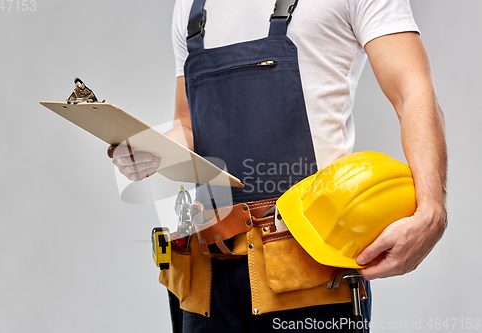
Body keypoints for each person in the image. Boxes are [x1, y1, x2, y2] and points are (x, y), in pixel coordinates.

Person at [108, 0, 447, 332]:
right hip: (209, 284)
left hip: (307, 278)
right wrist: (151, 150)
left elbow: (413, 90)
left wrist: (431, 208)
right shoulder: (192, 7)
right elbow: (189, 126)